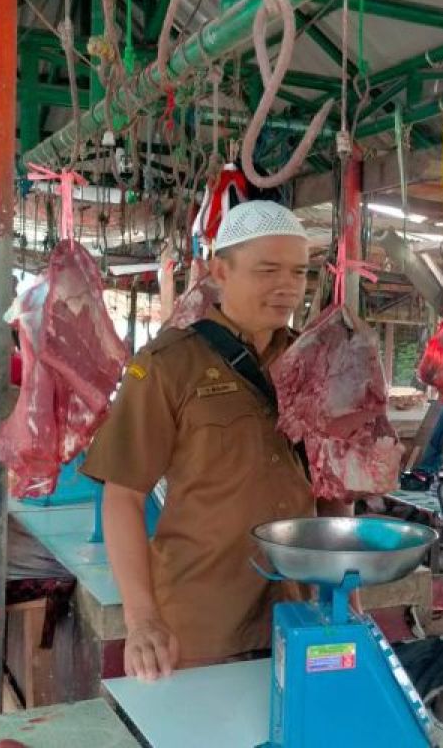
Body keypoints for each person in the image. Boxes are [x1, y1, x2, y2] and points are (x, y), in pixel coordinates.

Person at [82, 200, 348, 681]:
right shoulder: (168, 365)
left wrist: (343, 587)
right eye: (267, 270)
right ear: (220, 271)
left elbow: (331, 487)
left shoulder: (315, 363)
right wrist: (142, 620)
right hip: (200, 617)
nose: (287, 286)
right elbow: (122, 496)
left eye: (299, 272)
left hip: (296, 608)